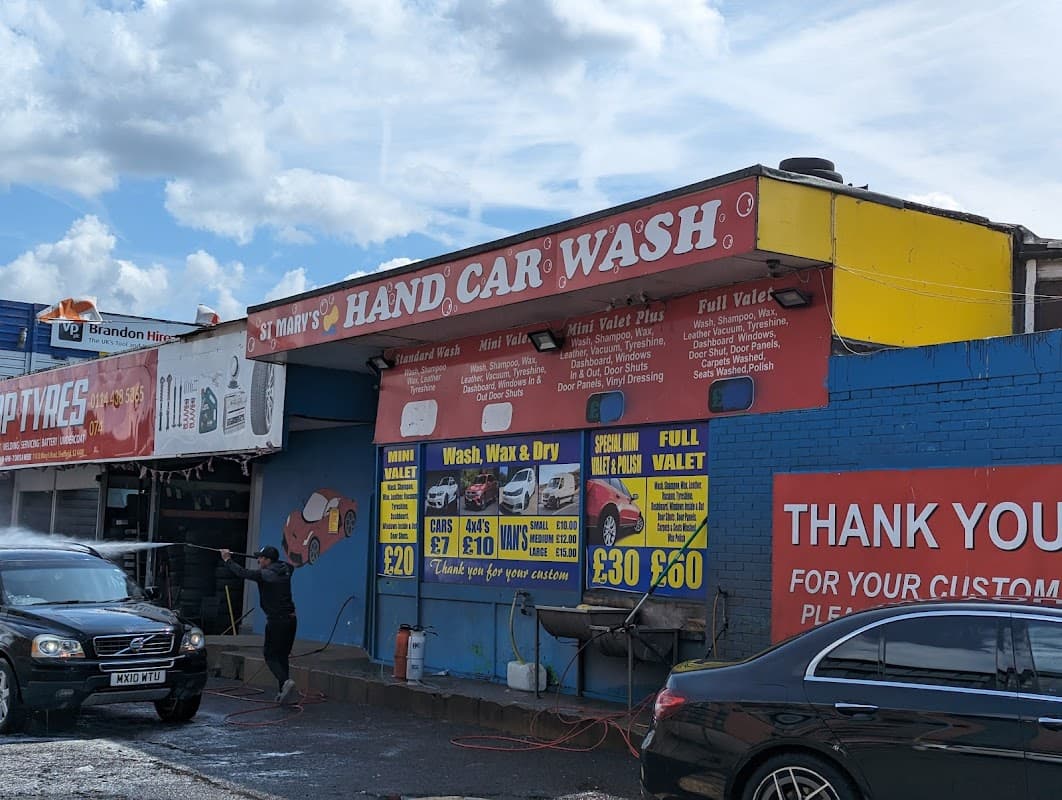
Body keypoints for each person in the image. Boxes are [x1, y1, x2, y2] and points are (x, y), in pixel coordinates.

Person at [220, 545, 299, 705]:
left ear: (268, 560)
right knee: (282, 656)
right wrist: (273, 562)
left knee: (269, 655)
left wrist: (227, 560)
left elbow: (243, 573)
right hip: (291, 620)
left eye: (261, 558)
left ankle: (285, 682)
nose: (258, 560)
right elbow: (287, 565)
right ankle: (283, 693)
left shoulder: (266, 575)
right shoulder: (286, 569)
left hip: (277, 621)